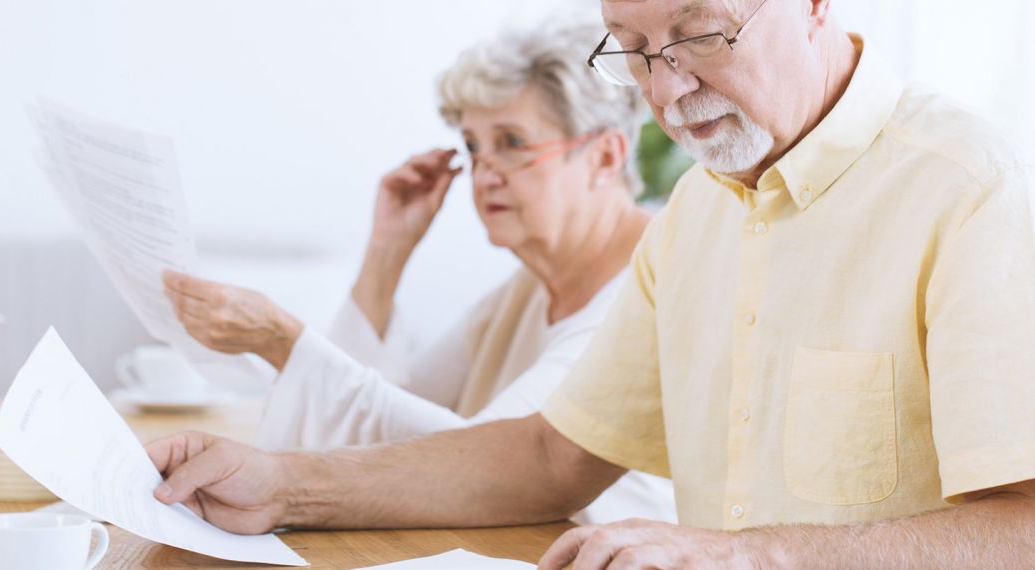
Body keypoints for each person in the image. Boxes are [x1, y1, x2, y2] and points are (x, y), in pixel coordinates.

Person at [148, 1, 1035, 567]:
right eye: (638, 49)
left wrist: (747, 557)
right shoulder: (698, 214)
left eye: (696, 31)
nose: (668, 85)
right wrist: (284, 486)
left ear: (812, 5)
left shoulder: (975, 188)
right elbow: (547, 457)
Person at [162, 22, 676, 525]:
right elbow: (389, 434)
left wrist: (283, 342)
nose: (486, 171)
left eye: (512, 141)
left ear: (604, 156)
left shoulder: (644, 285)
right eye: (473, 147)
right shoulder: (524, 292)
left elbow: (496, 469)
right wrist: (387, 252)